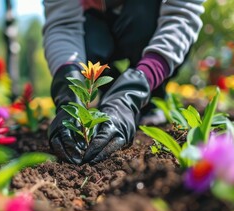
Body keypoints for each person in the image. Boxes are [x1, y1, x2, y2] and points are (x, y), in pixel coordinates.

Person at [43, 0, 205, 165]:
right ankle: (111, 95)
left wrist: (133, 90)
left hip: (145, 23)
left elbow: (181, 17)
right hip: (95, 27)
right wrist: (67, 90)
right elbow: (63, 26)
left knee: (142, 11)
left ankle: (149, 98)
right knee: (89, 33)